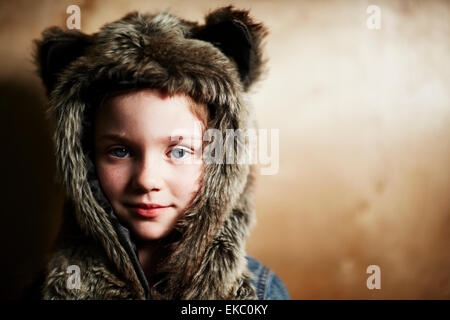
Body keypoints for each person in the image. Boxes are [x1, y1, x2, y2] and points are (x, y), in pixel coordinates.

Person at [30, 5, 290, 300]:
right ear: (84, 161)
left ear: (221, 163)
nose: (146, 180)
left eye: (179, 152)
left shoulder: (259, 293)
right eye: (119, 151)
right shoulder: (52, 291)